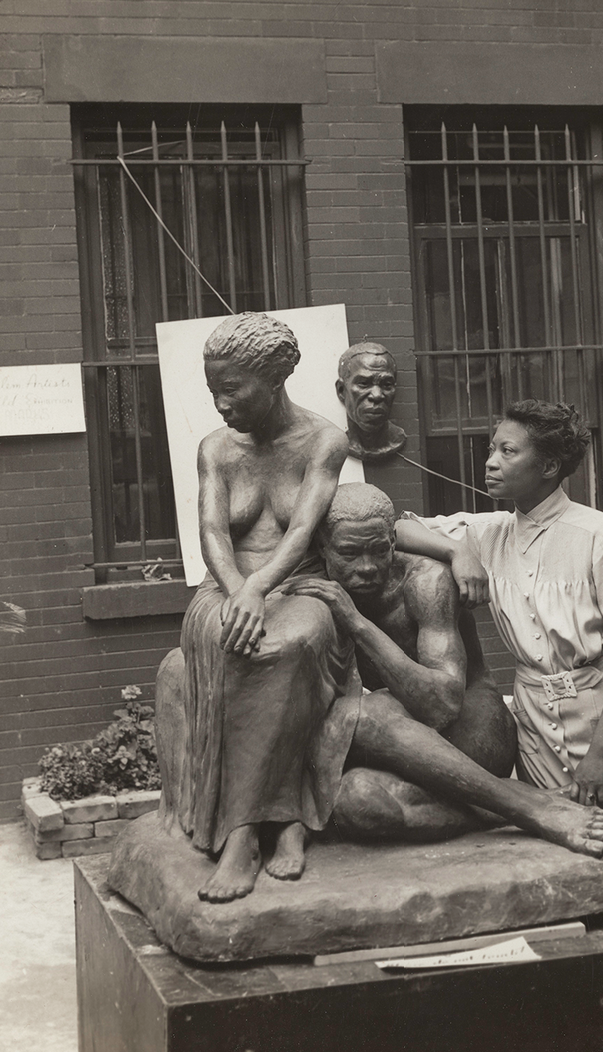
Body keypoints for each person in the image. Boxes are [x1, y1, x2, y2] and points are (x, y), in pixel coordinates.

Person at [395, 400, 603, 931]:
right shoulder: (488, 532)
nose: (491, 462)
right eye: (491, 449)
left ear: (548, 466)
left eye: (508, 450)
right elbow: (394, 529)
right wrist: (457, 553)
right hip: (534, 719)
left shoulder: (597, 534)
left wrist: (600, 754)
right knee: (563, 860)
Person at [284, 482, 603, 856]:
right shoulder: (316, 582)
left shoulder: (425, 581)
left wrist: (357, 624)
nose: (367, 567)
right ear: (322, 549)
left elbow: (443, 704)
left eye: (379, 550)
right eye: (349, 553)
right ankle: (521, 803)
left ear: (393, 542)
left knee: (365, 715)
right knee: (356, 802)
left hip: (474, 728)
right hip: (405, 737)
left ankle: (532, 810)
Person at [178, 311, 361, 903]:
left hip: (298, 586)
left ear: (275, 378)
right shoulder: (215, 449)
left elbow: (305, 529)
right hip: (225, 587)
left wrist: (264, 589)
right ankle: (254, 833)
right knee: (236, 640)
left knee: (289, 645)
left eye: (232, 390)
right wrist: (241, 591)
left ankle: (273, 823)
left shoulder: (324, 441)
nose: (221, 404)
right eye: (213, 391)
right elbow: (211, 532)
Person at [336, 341, 407, 462]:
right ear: (341, 390)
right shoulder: (334, 443)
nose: (377, 395)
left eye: (387, 384)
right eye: (364, 384)